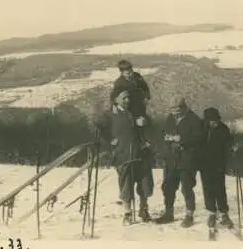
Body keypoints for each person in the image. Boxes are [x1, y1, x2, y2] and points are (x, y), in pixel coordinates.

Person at [97, 90, 154, 225]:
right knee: (126, 183)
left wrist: (144, 122)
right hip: (122, 154)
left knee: (145, 182)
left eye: (128, 97)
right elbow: (99, 128)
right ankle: (127, 213)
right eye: (124, 98)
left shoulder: (134, 112)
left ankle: (143, 209)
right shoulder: (109, 115)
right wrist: (110, 140)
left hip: (139, 153)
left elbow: (149, 122)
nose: (127, 100)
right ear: (115, 99)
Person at [154, 96, 204, 228]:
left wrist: (181, 139)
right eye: (171, 110)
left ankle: (189, 215)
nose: (174, 112)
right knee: (168, 186)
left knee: (186, 187)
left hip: (187, 159)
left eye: (176, 110)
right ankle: (168, 213)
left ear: (183, 108)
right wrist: (166, 138)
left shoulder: (194, 120)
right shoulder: (170, 118)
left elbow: (199, 138)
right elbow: (164, 131)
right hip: (171, 158)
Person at [199, 107, 235, 230]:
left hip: (219, 163)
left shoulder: (223, 128)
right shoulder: (201, 129)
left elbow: (229, 141)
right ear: (207, 120)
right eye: (212, 120)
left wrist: (232, 146)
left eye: (216, 120)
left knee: (220, 188)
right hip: (204, 164)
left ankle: (224, 213)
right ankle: (212, 213)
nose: (215, 122)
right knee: (208, 189)